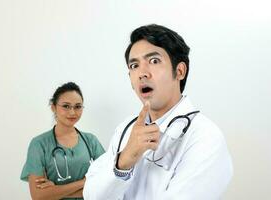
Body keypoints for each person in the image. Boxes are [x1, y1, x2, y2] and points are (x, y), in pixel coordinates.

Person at [83, 24, 233, 200]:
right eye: (134, 65)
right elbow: (92, 195)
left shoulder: (205, 137)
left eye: (154, 61)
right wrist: (123, 163)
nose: (142, 73)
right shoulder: (125, 129)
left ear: (179, 71)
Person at [21, 82, 105, 200]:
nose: (72, 112)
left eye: (78, 106)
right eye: (66, 106)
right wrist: (84, 183)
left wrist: (54, 190)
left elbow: (106, 183)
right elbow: (39, 196)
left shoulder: (91, 141)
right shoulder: (39, 144)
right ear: (53, 107)